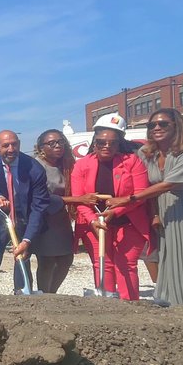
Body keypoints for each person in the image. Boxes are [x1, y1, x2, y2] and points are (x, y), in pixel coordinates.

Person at [107, 109, 183, 307]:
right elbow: (146, 184)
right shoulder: (146, 153)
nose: (156, 128)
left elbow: (170, 184)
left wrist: (127, 199)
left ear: (176, 125)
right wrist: (154, 213)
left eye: (163, 124)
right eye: (151, 125)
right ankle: (176, 303)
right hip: (165, 210)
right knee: (169, 256)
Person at [71, 114, 150, 300]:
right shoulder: (82, 165)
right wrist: (92, 220)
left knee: (126, 263)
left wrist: (114, 212)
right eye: (101, 142)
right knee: (102, 263)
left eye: (112, 143)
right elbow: (79, 198)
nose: (106, 146)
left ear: (119, 143)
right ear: (94, 141)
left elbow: (140, 195)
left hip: (128, 221)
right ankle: (106, 304)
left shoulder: (132, 162)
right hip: (94, 221)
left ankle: (129, 305)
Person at [0, 130, 51, 294]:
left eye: (14, 144)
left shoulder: (34, 169)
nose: (11, 149)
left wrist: (27, 239)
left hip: (24, 218)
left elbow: (39, 207)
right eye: (6, 145)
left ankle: (22, 296)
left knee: (22, 259)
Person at [30, 128, 96, 293]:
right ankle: (44, 295)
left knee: (66, 259)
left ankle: (51, 293)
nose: (57, 145)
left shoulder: (68, 165)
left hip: (61, 219)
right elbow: (43, 198)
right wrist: (78, 199)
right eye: (51, 143)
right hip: (43, 219)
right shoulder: (36, 166)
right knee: (47, 260)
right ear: (41, 147)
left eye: (60, 142)